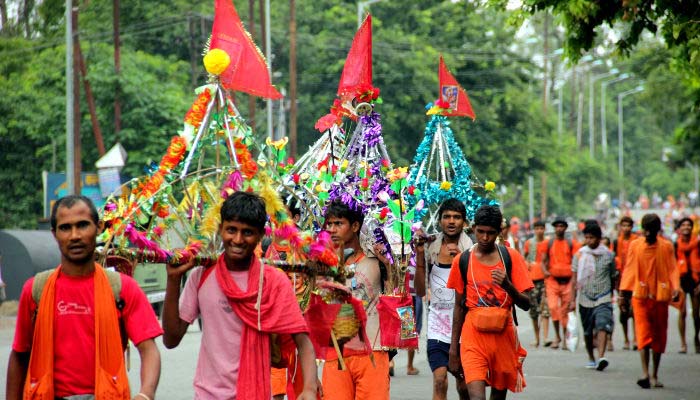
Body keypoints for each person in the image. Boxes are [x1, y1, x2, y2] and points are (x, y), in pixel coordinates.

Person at [162, 191, 318, 400]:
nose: (237, 239)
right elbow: (171, 340)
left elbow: (303, 341)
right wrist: (172, 281)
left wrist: (308, 388)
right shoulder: (201, 276)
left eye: (247, 232)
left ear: (261, 235)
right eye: (231, 230)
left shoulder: (274, 281)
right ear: (220, 229)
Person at [6, 195, 162, 400]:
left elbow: (148, 349)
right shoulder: (36, 290)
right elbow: (19, 355)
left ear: (98, 228)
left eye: (82, 225)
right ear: (54, 234)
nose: (74, 235)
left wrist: (145, 394)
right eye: (65, 228)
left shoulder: (122, 289)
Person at [447, 205, 533, 400]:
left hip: (503, 337)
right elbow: (459, 307)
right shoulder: (463, 260)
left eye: (491, 233)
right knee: (477, 397)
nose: (485, 238)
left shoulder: (511, 258)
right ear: (473, 228)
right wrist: (454, 349)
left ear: (499, 232)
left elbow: (527, 303)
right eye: (481, 232)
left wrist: (508, 285)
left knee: (498, 397)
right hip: (473, 338)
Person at [322, 200, 389, 400]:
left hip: (372, 351)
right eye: (329, 224)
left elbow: (396, 295)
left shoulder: (376, 261)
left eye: (338, 223)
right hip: (336, 351)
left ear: (355, 226)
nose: (332, 229)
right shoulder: (324, 263)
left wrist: (390, 265)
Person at [414, 198, 473, 400]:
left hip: (465, 329)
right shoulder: (430, 246)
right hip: (437, 329)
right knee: (440, 381)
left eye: (457, 217)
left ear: (464, 223)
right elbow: (420, 291)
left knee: (464, 386)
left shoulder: (471, 249)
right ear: (440, 221)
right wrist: (420, 256)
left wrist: (460, 261)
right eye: (446, 216)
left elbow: (474, 290)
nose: (451, 221)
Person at [619, 213, 680, 389]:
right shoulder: (635, 246)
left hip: (660, 297)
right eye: (645, 230)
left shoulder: (666, 246)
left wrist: (675, 287)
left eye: (651, 231)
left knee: (659, 336)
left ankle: (655, 374)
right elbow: (629, 269)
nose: (647, 234)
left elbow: (672, 269)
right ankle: (645, 373)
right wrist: (624, 294)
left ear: (657, 231)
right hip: (640, 296)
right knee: (643, 333)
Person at [569, 222, 616, 370]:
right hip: (585, 297)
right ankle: (591, 357)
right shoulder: (579, 255)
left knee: (602, 324)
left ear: (599, 238)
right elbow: (574, 279)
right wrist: (572, 299)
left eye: (592, 237)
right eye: (587, 237)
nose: (589, 241)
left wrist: (615, 293)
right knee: (588, 331)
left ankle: (602, 356)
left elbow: (613, 275)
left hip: (604, 295)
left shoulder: (609, 255)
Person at [541, 217, 581, 350]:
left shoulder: (572, 243)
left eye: (562, 226)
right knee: (553, 308)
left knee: (565, 311)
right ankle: (557, 336)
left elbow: (577, 261)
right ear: (554, 228)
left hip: (568, 281)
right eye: (557, 226)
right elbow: (543, 260)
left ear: (565, 228)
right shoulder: (549, 243)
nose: (559, 228)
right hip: (552, 280)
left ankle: (564, 339)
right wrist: (545, 271)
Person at [523, 221, 551, 348]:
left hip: (545, 279)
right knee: (534, 310)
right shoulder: (529, 243)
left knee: (545, 309)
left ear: (544, 229)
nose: (539, 231)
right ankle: (537, 338)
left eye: (541, 228)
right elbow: (525, 257)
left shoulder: (549, 242)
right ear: (534, 230)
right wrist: (527, 264)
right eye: (537, 228)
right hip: (532, 279)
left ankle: (545, 337)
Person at [674, 217, 700, 354]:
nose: (686, 227)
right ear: (679, 228)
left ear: (692, 227)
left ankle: (696, 337)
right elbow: (672, 266)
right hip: (681, 281)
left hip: (696, 280)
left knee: (696, 314)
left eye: (688, 225)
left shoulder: (697, 243)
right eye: (683, 224)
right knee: (682, 312)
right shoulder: (675, 245)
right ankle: (683, 343)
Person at [614, 216, 637, 350]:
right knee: (623, 310)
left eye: (628, 226)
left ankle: (635, 338)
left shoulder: (637, 241)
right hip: (622, 281)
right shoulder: (617, 241)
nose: (626, 228)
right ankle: (626, 339)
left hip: (634, 279)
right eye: (623, 226)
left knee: (634, 310)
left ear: (631, 227)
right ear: (620, 227)